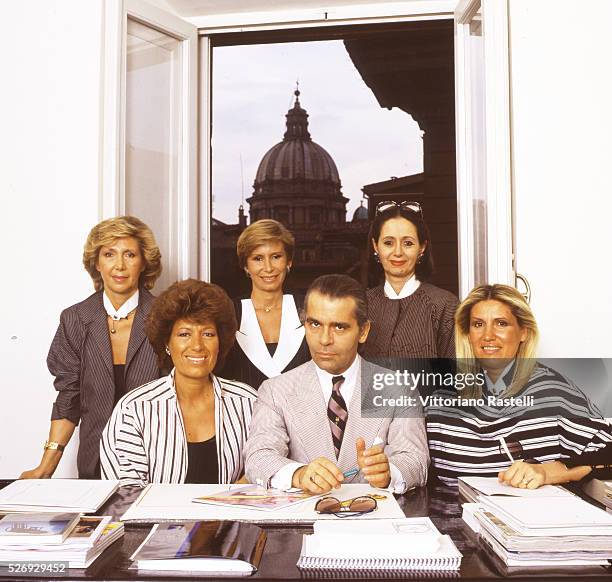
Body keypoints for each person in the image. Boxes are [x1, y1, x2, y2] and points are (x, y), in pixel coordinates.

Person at [244, 274, 429, 494]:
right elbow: (258, 457)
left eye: (339, 327)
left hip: (374, 522)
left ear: (363, 331)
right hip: (304, 522)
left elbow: (416, 460)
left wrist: (390, 473)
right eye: (314, 324)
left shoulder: (398, 388)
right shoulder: (275, 390)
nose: (324, 339)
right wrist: (299, 475)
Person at [426, 284, 612, 485]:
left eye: (501, 323)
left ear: (523, 332)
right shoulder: (441, 399)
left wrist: (550, 472)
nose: (487, 335)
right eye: (478, 324)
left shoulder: (553, 393)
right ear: (467, 334)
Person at [21, 216, 162, 479]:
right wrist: (46, 466)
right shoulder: (74, 319)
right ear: (97, 263)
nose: (119, 265)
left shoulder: (166, 317)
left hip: (160, 461)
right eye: (109, 254)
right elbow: (69, 396)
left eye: (130, 254)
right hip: (94, 463)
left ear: (144, 262)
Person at [100, 279, 257, 486]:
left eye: (208, 334)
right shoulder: (134, 410)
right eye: (184, 334)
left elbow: (270, 469)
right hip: (153, 518)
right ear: (166, 343)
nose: (197, 346)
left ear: (220, 342)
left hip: (231, 517)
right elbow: (125, 495)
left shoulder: (249, 403)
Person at [220, 219, 310, 388]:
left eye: (276, 257)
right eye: (258, 258)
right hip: (242, 413)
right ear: (246, 266)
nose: (268, 268)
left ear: (289, 261)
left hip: (302, 413)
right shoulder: (228, 313)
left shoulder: (310, 309)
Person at [363, 201, 458, 360]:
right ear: (375, 246)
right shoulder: (361, 304)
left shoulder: (445, 306)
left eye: (408, 243)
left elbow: (457, 377)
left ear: (422, 247)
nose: (398, 252)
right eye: (388, 243)